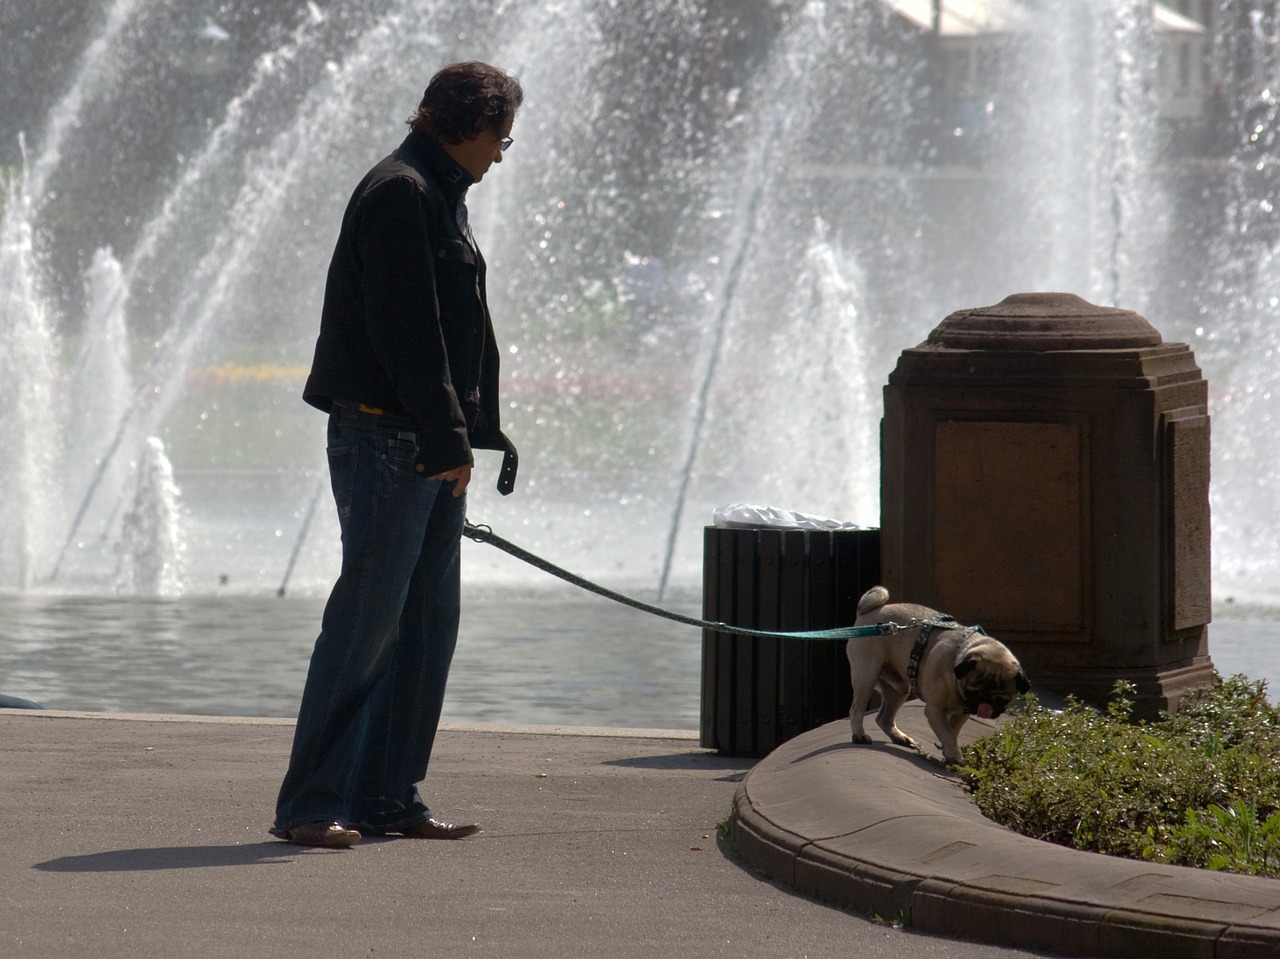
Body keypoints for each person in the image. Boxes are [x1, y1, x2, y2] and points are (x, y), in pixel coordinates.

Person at [270, 61, 523, 848]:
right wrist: (449, 437)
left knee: (423, 626)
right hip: (390, 438)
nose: (502, 154)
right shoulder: (401, 192)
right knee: (367, 624)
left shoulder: (436, 191)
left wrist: (475, 429)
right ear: (467, 124)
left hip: (423, 442)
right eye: (500, 137)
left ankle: (386, 796)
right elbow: (403, 328)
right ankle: (311, 803)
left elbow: (447, 331)